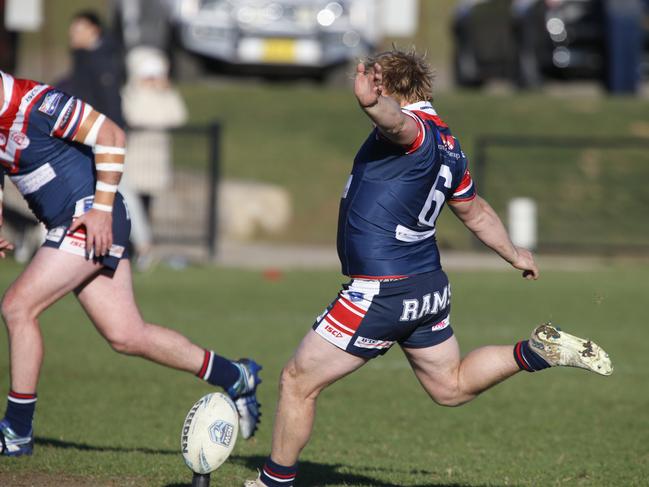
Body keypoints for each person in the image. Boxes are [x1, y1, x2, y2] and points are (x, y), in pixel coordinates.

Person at [245, 49, 613, 487]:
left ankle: (273, 482)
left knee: (296, 381)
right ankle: (535, 351)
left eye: (378, 86)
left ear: (389, 89)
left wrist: (371, 105)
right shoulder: (450, 145)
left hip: (383, 288)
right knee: (451, 387)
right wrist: (515, 253)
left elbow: (397, 124)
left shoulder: (413, 128)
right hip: (427, 287)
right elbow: (474, 211)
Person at [0, 70, 261, 457]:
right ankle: (236, 376)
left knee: (18, 306)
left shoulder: (33, 101)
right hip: (73, 220)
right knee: (127, 335)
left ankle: (17, 431)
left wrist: (101, 210)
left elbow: (111, 135)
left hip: (89, 214)